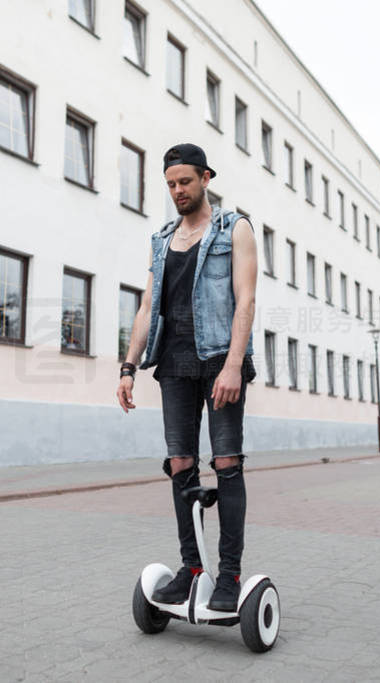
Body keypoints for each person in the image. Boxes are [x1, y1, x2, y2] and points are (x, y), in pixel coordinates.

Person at [116, 143, 257, 613]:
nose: (178, 191)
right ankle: (192, 568)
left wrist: (235, 364)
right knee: (179, 465)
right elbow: (147, 308)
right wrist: (128, 367)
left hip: (220, 360)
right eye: (171, 184)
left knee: (226, 463)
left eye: (185, 182)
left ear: (205, 179)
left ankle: (230, 577)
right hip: (173, 364)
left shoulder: (234, 228)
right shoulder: (161, 239)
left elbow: (246, 300)